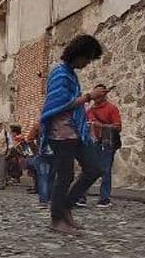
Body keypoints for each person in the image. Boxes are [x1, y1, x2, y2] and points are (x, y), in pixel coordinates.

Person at [40, 33, 105, 234]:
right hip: (61, 133)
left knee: (95, 168)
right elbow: (60, 104)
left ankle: (66, 206)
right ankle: (57, 219)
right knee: (65, 175)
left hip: (76, 132)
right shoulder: (60, 73)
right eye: (87, 58)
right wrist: (88, 96)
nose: (87, 63)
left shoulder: (70, 73)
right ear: (78, 54)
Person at [75, 84, 122, 208]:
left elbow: (118, 126)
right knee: (87, 169)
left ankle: (104, 199)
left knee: (105, 170)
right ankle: (80, 197)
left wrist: (101, 126)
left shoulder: (112, 109)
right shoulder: (89, 110)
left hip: (107, 143)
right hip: (92, 142)